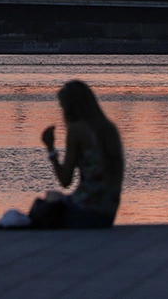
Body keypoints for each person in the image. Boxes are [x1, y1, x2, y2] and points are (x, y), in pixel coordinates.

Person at [39, 79, 124, 228]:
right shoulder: (110, 129)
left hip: (85, 212)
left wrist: (50, 148)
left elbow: (65, 180)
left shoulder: (76, 130)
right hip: (107, 214)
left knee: (44, 205)